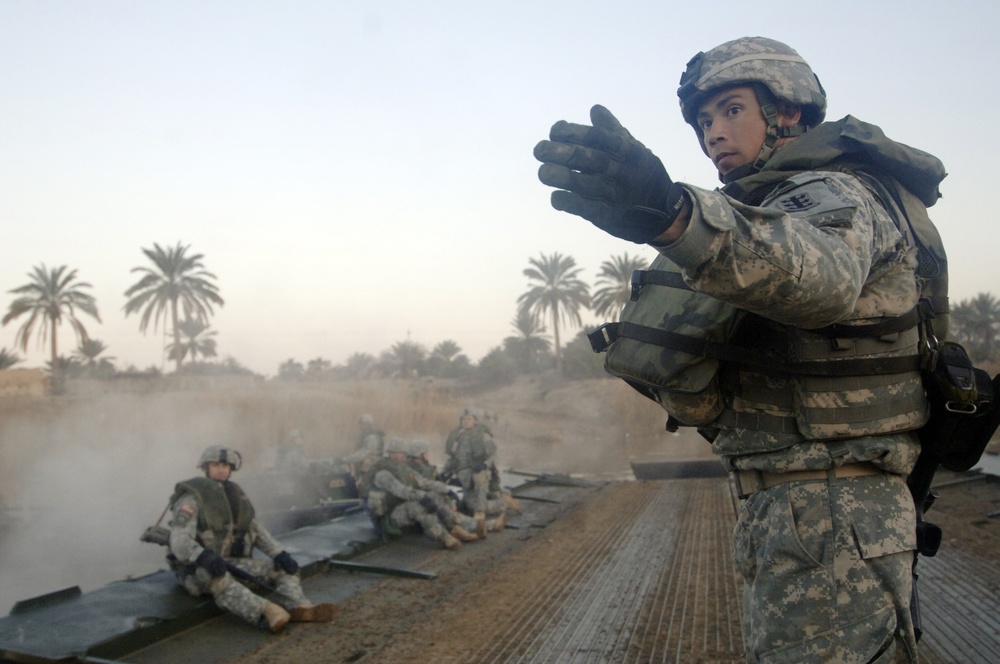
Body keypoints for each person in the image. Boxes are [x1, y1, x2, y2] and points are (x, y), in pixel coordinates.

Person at [534, 36, 948, 663]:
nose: (713, 135)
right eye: (704, 122)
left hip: (832, 507)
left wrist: (675, 216)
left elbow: (821, 276)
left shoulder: (836, 191)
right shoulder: (768, 209)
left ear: (789, 112)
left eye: (731, 110)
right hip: (797, 506)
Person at [166, 445, 339, 633]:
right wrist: (202, 556)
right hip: (196, 568)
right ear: (205, 467)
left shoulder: (235, 496)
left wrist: (279, 553)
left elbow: (256, 530)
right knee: (219, 579)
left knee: (282, 569)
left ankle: (298, 606)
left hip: (229, 562)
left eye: (225, 465)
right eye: (215, 465)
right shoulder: (192, 499)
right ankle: (266, 612)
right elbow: (179, 540)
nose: (221, 469)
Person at [367, 437, 487, 549]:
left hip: (403, 509)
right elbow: (401, 491)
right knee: (419, 505)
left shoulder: (403, 469)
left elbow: (423, 482)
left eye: (402, 453)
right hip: (390, 516)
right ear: (390, 453)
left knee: (433, 497)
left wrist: (446, 490)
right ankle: (445, 536)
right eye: (397, 452)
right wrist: (423, 497)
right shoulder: (383, 474)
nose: (401, 455)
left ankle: (461, 527)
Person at [443, 409, 521, 523]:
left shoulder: (482, 435)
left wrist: (484, 465)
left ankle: (495, 507)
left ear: (474, 420)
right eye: (463, 419)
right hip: (463, 473)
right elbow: (453, 457)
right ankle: (500, 498)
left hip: (478, 471)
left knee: (478, 492)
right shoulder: (457, 435)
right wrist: (445, 471)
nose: (466, 422)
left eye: (469, 419)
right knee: (467, 504)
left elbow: (493, 453)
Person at [341, 413, 385, 479]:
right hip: (365, 460)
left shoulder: (371, 437)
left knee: (366, 462)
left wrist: (346, 459)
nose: (361, 426)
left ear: (369, 425)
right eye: (360, 424)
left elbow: (363, 453)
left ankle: (365, 481)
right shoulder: (363, 435)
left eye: (364, 424)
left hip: (373, 462)